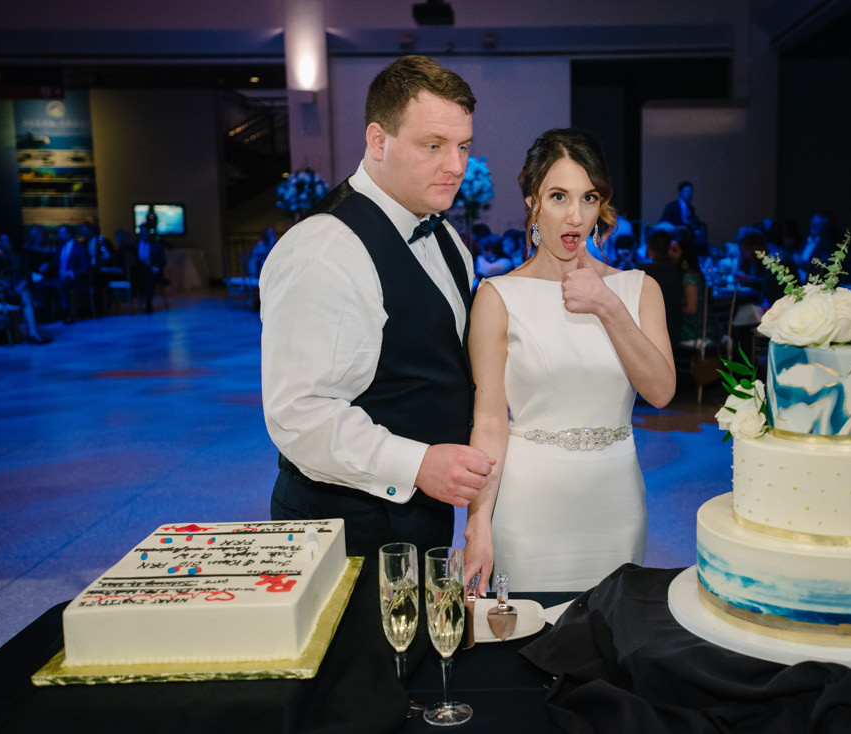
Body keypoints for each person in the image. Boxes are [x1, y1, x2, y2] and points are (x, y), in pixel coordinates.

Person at [259, 55, 493, 562]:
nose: (456, 166)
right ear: (378, 141)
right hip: (342, 525)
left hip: (422, 513)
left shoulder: (447, 237)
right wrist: (418, 463)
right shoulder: (325, 248)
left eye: (463, 146)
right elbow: (300, 415)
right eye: (433, 146)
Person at [463, 128, 675, 594]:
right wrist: (478, 522)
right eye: (559, 196)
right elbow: (490, 421)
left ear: (602, 204)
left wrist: (608, 306)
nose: (575, 216)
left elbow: (660, 392)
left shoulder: (639, 289)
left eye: (588, 197)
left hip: (616, 503)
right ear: (532, 201)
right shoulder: (498, 296)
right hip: (528, 506)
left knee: (610, 644)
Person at [132, 223, 166, 313]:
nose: (144, 234)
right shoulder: (135, 246)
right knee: (141, 275)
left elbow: (162, 261)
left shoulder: (157, 245)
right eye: (142, 232)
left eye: (146, 232)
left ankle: (148, 303)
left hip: (152, 272)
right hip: (138, 273)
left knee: (148, 277)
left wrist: (157, 267)